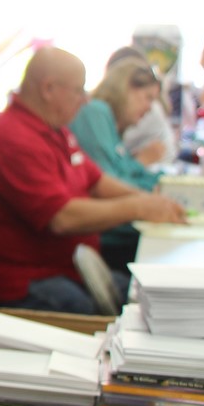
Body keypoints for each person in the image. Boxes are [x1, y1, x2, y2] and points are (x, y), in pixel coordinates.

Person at [0, 48, 187, 314]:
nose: (85, 100)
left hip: (70, 269)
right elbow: (62, 218)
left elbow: (96, 180)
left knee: (146, 297)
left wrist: (146, 200)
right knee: (123, 313)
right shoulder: (14, 140)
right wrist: (138, 207)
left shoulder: (56, 130)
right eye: (78, 90)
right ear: (48, 89)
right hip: (31, 281)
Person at [70, 59, 166, 269]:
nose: (149, 108)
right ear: (126, 88)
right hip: (105, 235)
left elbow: (122, 171)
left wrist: (162, 187)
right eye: (147, 97)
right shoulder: (95, 111)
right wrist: (153, 193)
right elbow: (108, 181)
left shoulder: (107, 120)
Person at [106, 45, 176, 167]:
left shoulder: (151, 110)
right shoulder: (99, 111)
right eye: (148, 97)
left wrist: (139, 160)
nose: (149, 107)